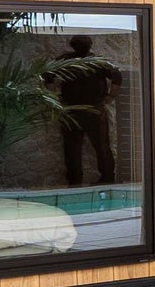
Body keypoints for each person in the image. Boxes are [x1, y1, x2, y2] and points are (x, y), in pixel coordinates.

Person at [46, 35, 127, 187]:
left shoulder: (66, 60)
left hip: (75, 108)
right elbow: (117, 76)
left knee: (74, 148)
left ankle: (78, 181)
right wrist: (110, 97)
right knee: (99, 146)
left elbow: (47, 74)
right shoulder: (97, 61)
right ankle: (105, 179)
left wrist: (53, 96)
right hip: (90, 109)